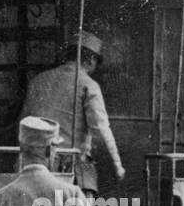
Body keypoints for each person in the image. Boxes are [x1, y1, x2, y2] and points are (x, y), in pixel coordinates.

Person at [23, 31, 124, 196]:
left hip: (35, 165)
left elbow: (23, 122)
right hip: (70, 167)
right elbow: (101, 131)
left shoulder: (38, 81)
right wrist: (117, 165)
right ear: (91, 59)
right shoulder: (88, 85)